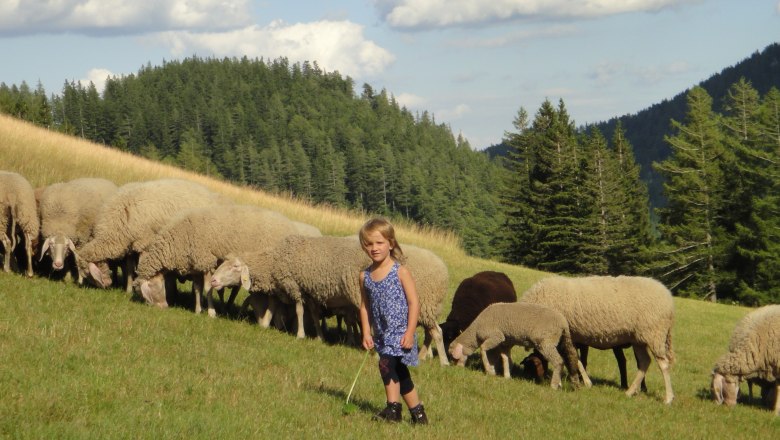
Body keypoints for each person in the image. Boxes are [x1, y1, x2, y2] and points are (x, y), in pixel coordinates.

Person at [358, 217, 429, 424]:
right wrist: (366, 332)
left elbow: (414, 303)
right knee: (399, 371)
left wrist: (409, 332)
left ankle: (393, 410)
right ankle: (418, 414)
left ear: (391, 243)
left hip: (400, 332)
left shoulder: (400, 271)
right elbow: (364, 306)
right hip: (381, 333)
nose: (374, 248)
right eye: (369, 244)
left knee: (386, 365)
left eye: (379, 243)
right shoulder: (365, 276)